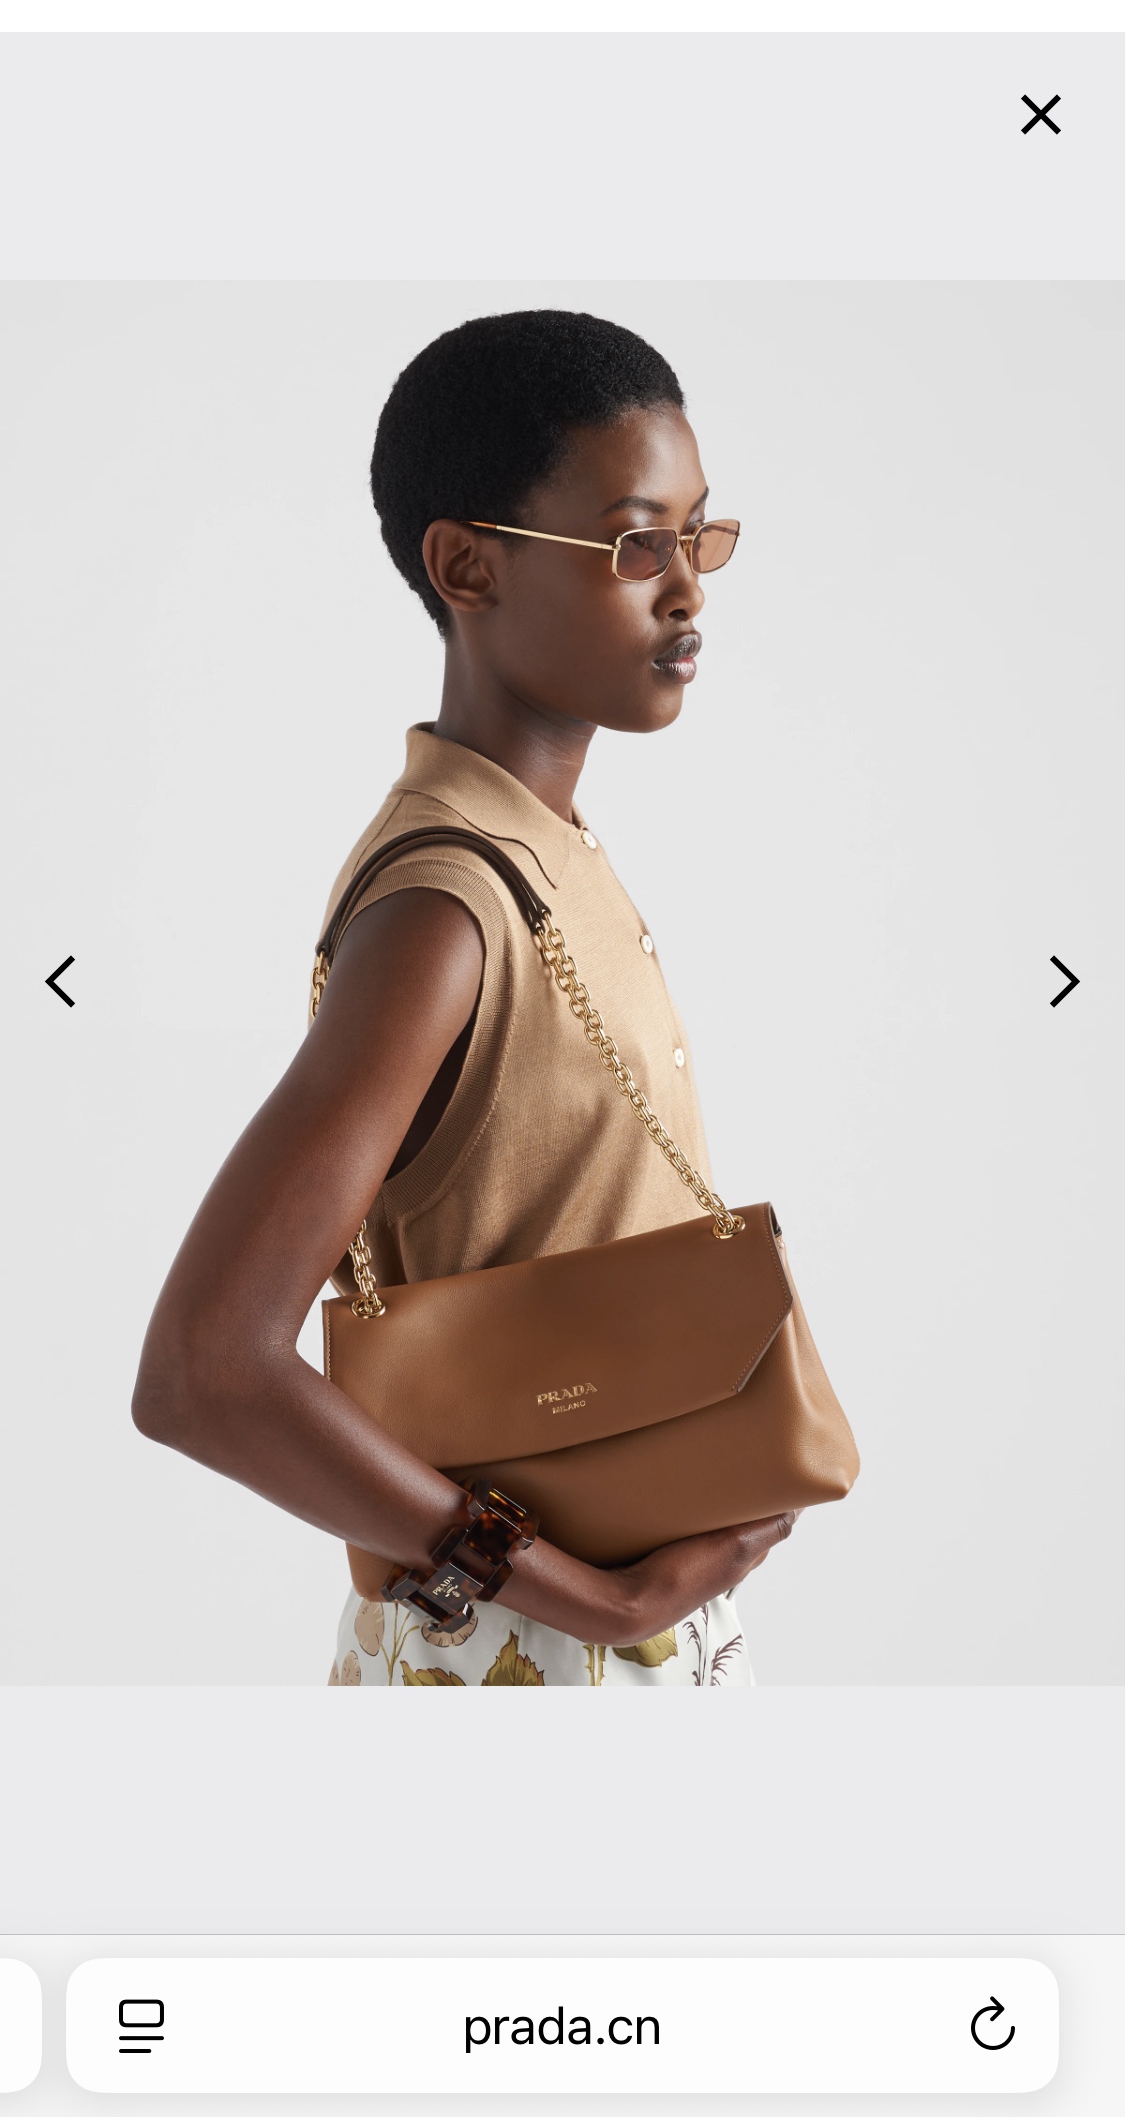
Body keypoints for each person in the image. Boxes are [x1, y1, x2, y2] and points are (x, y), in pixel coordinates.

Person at [132, 308, 796, 1686]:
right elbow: (205, 1368)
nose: (686, 589)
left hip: (617, 1635)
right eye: (634, 544)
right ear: (467, 565)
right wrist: (584, 1601)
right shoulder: (446, 908)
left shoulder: (543, 853)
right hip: (520, 1655)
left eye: (699, 536)